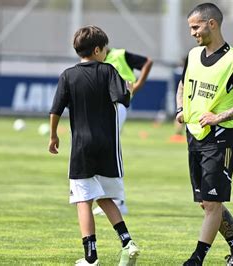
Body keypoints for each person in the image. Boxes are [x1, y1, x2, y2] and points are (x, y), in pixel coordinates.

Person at [48, 25, 140, 266]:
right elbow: (122, 99)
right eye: (105, 50)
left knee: (83, 200)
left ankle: (90, 257)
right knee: (106, 197)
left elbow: (55, 109)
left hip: (82, 148)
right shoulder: (109, 71)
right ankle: (127, 242)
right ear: (98, 49)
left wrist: (53, 136)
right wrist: (128, 89)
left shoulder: (68, 75)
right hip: (108, 147)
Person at [177, 3, 233, 265]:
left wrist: (218, 117)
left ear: (212, 23)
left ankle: (196, 259)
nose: (192, 33)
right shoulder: (192, 55)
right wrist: (180, 108)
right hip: (195, 136)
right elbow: (183, 83)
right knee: (207, 203)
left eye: (195, 27)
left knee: (213, 203)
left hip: (221, 137)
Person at [92, 46, 152, 215]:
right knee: (105, 150)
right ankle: (114, 200)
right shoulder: (99, 63)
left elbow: (148, 62)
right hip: (110, 107)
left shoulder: (120, 54)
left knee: (108, 150)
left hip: (117, 106)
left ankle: (118, 201)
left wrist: (138, 84)